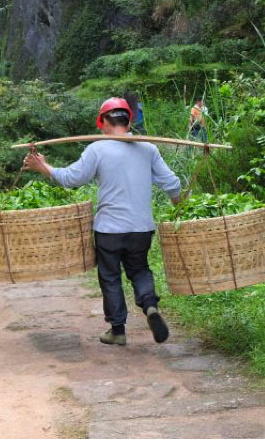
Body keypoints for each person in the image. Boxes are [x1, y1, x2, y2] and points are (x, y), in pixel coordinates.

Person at [22, 97, 181, 346]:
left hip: (109, 230)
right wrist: (180, 208)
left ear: (105, 121)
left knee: (110, 277)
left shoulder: (98, 149)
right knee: (139, 269)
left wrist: (44, 167)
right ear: (128, 121)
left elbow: (71, 178)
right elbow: (173, 184)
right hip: (141, 227)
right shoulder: (148, 148)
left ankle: (117, 331)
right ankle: (150, 305)